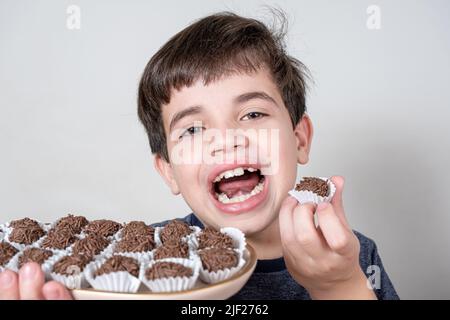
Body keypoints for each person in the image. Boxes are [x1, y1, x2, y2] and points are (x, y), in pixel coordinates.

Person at [0, 11, 398, 300]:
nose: (224, 140)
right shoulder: (140, 261)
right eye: (192, 129)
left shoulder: (355, 257)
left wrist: (338, 286)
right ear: (168, 171)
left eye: (253, 114)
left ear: (300, 139)